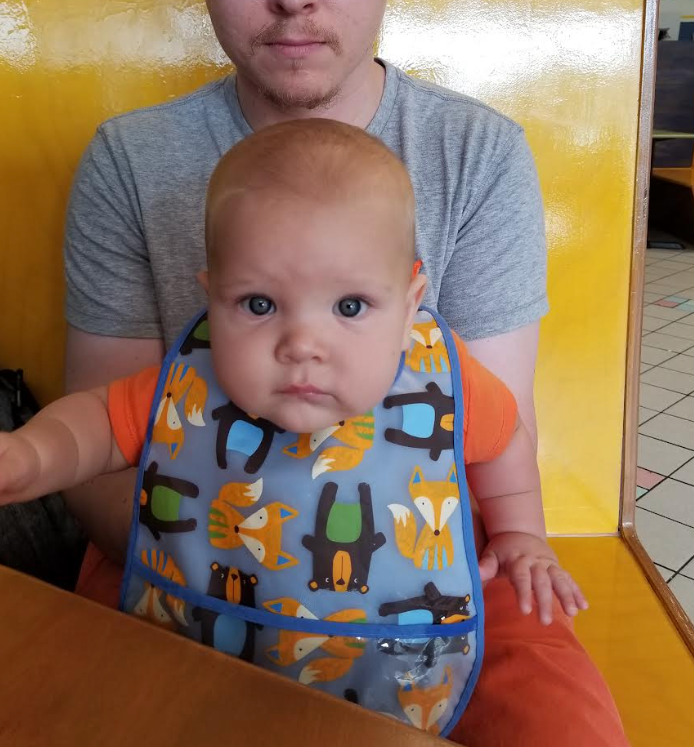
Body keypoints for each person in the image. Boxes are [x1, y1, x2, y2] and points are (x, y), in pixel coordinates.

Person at [59, 0, 628, 744]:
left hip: (430, 568)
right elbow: (100, 460)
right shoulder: (128, 159)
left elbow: (487, 434)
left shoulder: (475, 152)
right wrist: (264, 584)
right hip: (182, 547)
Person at [2, 121, 586, 735]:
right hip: (205, 636)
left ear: (411, 304)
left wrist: (522, 532)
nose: (303, 345)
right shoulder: (192, 382)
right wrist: (31, 455)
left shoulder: (441, 382)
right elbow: (97, 421)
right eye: (258, 305)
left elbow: (504, 440)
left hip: (400, 655)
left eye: (350, 307)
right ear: (213, 296)